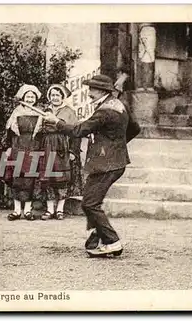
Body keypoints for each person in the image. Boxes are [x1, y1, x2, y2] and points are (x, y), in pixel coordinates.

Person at [42, 74, 140, 257]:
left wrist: (57, 122)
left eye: (92, 90)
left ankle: (112, 242)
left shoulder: (105, 111)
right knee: (90, 199)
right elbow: (135, 128)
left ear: (102, 91)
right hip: (110, 162)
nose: (89, 93)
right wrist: (117, 144)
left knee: (90, 203)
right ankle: (96, 237)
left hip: (107, 164)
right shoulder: (117, 104)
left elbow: (79, 130)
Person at [38, 84, 81, 221]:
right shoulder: (45, 110)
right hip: (47, 145)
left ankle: (60, 209)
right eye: (52, 95)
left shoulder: (69, 112)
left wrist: (73, 151)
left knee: (61, 178)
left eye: (58, 95)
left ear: (62, 97)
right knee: (48, 178)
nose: (55, 98)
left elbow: (75, 133)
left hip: (62, 146)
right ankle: (50, 210)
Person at [4, 84, 43, 221]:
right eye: (28, 96)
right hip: (18, 146)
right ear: (23, 97)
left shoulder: (40, 113)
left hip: (33, 147)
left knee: (29, 178)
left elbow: (41, 134)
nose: (30, 99)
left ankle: (27, 210)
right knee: (16, 178)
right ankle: (16, 210)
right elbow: (9, 133)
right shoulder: (17, 112)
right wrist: (9, 147)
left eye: (33, 96)